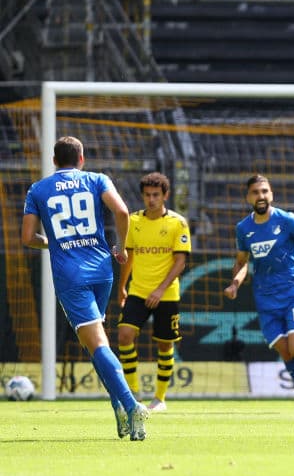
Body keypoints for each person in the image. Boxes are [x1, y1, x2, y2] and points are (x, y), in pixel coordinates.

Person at [21, 136, 149, 440]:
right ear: (82, 158)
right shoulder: (97, 179)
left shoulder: (38, 190)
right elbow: (121, 212)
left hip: (70, 275)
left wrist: (52, 242)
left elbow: (27, 237)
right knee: (98, 341)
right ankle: (119, 408)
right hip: (103, 269)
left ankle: (131, 405)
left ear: (54, 161)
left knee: (97, 345)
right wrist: (120, 246)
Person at [223, 174, 294, 414]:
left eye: (265, 191)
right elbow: (242, 262)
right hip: (265, 300)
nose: (261, 196)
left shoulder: (287, 220)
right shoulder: (243, 228)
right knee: (286, 352)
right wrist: (235, 284)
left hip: (293, 294)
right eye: (255, 192)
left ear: (271, 194)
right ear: (248, 197)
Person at [116, 172, 192, 413]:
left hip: (167, 294)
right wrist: (121, 287)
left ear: (165, 195)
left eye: (156, 195)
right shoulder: (133, 221)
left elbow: (180, 262)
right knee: (124, 335)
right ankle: (133, 393)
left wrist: (160, 290)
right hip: (138, 291)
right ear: (142, 196)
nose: (151, 199)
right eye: (147, 195)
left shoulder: (178, 223)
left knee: (164, 345)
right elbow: (128, 257)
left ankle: (159, 399)